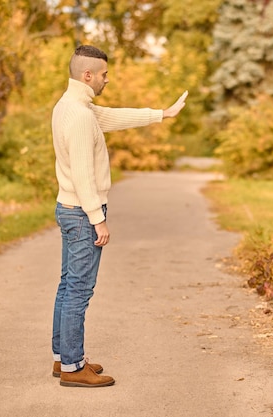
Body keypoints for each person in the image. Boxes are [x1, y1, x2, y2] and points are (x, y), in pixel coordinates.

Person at [51, 44, 187, 387]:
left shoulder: (70, 106)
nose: (107, 79)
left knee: (68, 285)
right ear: (88, 75)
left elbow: (113, 116)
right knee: (79, 290)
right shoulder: (80, 116)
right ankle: (71, 369)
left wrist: (162, 114)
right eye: (103, 74)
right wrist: (98, 218)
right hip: (82, 214)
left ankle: (64, 358)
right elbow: (83, 174)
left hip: (68, 208)